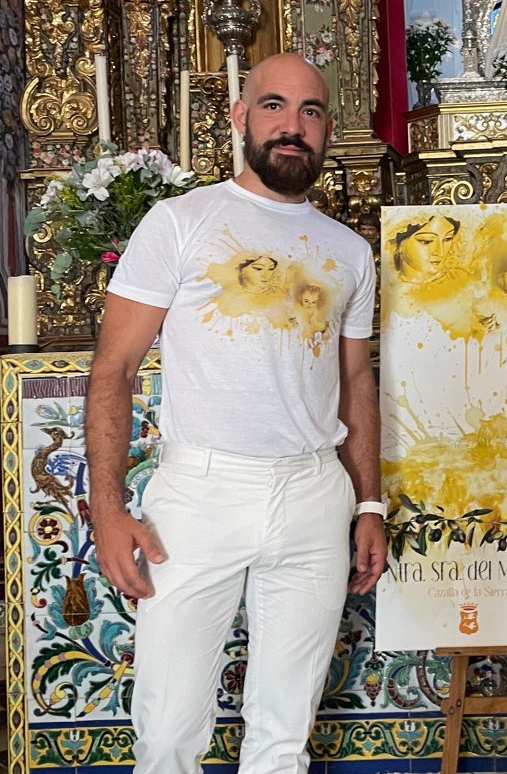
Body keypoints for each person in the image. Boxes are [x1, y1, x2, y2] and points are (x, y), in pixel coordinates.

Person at [85, 52, 387, 774]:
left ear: (327, 130)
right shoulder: (180, 222)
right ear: (240, 117)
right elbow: (114, 370)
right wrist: (106, 508)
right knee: (167, 729)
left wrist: (368, 500)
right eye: (275, 106)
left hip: (316, 495)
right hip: (201, 492)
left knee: (283, 733)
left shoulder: (349, 251)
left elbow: (355, 380)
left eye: (310, 112)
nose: (293, 126)